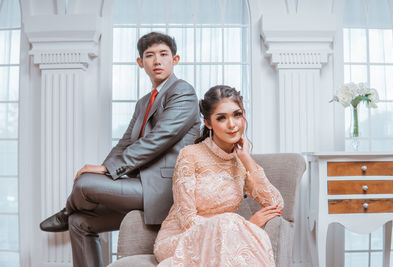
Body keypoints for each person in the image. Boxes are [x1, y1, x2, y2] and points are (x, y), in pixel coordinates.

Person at [39, 32, 200, 267]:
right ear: (140, 63)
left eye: (164, 54)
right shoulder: (144, 102)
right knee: (79, 221)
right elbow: (125, 143)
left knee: (83, 184)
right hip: (142, 187)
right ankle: (70, 215)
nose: (157, 61)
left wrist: (106, 169)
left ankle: (66, 210)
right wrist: (104, 171)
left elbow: (158, 139)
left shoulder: (183, 92)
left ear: (175, 59)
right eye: (149, 55)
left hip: (165, 190)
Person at [153, 85, 284, 266]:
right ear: (208, 123)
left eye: (237, 115)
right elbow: (187, 220)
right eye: (221, 118)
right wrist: (244, 226)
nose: (232, 124)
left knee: (233, 233)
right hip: (180, 238)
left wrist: (248, 161)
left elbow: (276, 204)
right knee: (230, 223)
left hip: (226, 239)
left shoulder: (241, 163)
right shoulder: (190, 155)